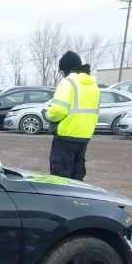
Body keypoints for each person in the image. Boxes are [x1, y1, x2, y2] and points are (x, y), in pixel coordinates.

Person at [44, 51, 100, 181]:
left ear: (67, 69)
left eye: (62, 71)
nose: (62, 74)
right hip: (84, 137)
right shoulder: (93, 85)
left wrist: (47, 115)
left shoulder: (68, 82)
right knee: (77, 177)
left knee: (61, 178)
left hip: (66, 136)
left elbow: (58, 110)